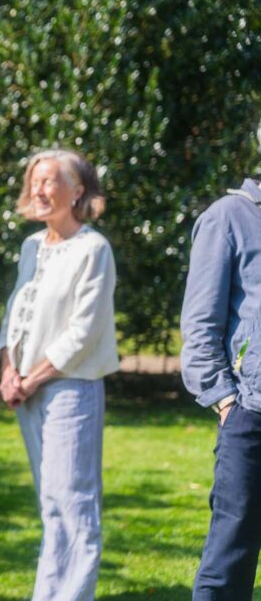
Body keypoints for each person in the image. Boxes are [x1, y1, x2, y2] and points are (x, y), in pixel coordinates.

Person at [0, 148, 118, 601]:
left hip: (70, 388)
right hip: (28, 389)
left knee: (74, 503)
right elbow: (15, 313)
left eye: (49, 180)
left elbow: (83, 331)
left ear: (77, 191)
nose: (39, 189)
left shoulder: (93, 249)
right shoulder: (32, 245)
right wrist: (8, 370)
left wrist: (31, 378)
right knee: (51, 502)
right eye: (34, 180)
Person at [180, 175, 261, 600]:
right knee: (230, 558)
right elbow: (200, 324)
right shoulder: (228, 217)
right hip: (251, 414)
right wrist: (226, 400)